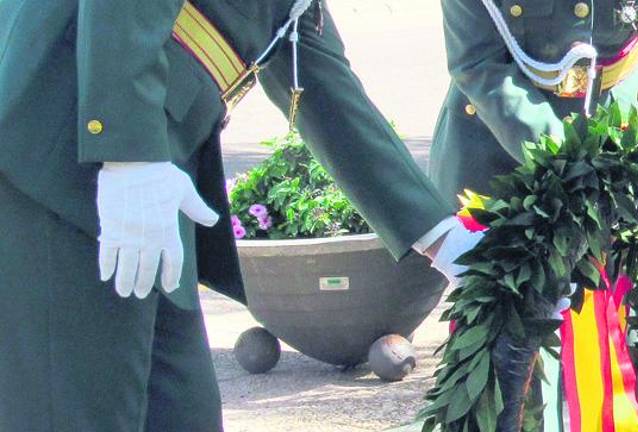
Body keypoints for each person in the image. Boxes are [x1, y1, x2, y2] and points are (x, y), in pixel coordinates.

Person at [0, 1, 476, 430]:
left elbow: (313, 73)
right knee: (77, 409)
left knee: (178, 407)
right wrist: (129, 156)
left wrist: (444, 242)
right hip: (63, 148)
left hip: (149, 165)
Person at [431, 0, 638, 430]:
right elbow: (477, 60)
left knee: (619, 366)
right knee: (506, 379)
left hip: (619, 130)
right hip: (503, 148)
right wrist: (582, 170)